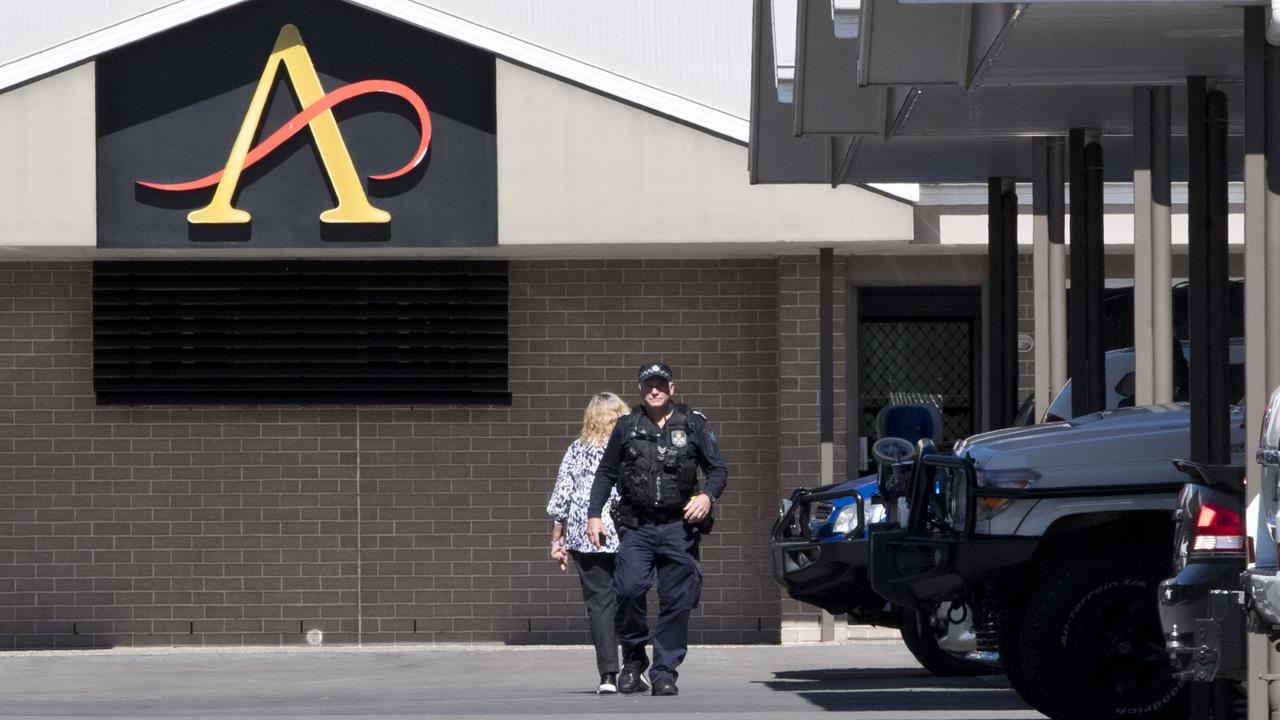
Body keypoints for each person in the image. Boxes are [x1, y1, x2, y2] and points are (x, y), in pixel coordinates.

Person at [586, 362, 728, 697]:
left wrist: (707, 497)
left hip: (679, 527)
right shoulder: (626, 426)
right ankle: (634, 661)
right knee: (630, 589)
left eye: (661, 384)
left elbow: (718, 468)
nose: (655, 390)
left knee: (677, 600)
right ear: (639, 389)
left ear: (672, 388)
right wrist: (594, 515)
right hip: (637, 527)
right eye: (649, 384)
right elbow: (606, 473)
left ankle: (665, 670)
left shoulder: (693, 422)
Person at [546, 391, 631, 695]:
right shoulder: (628, 448)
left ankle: (608, 674)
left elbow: (561, 497)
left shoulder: (576, 449)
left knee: (600, 604)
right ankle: (635, 667)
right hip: (624, 531)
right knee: (631, 597)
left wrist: (558, 540)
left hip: (584, 536)